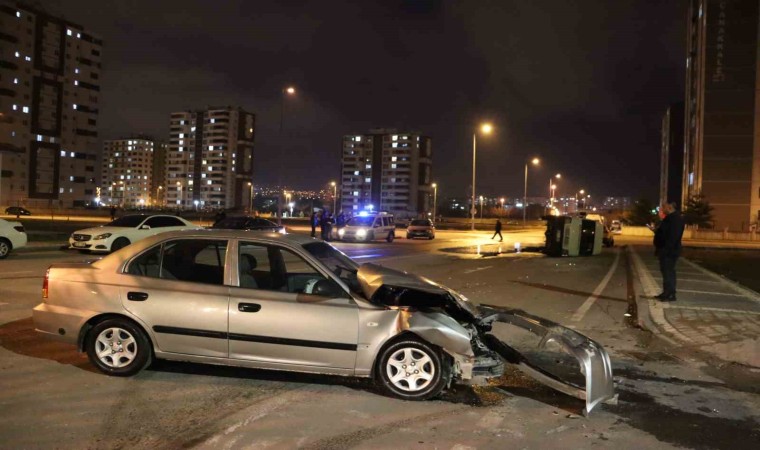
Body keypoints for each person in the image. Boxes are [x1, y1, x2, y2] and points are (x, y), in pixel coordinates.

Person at [653, 201, 685, 301]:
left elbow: (673, 237)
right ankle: (666, 292)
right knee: (666, 271)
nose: (662, 209)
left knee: (668, 272)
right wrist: (656, 231)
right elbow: (665, 232)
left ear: (670, 207)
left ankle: (670, 294)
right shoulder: (670, 218)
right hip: (666, 250)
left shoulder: (675, 219)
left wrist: (666, 250)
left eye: (664, 207)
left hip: (669, 251)